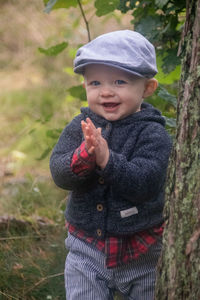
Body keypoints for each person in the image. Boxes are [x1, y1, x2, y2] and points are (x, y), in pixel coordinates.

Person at [50, 30, 172, 300]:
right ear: (85, 86)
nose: (106, 92)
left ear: (147, 88)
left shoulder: (153, 134)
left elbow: (145, 183)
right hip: (87, 248)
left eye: (119, 81)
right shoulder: (79, 127)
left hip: (142, 250)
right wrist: (83, 158)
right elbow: (59, 172)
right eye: (95, 83)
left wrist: (107, 160)